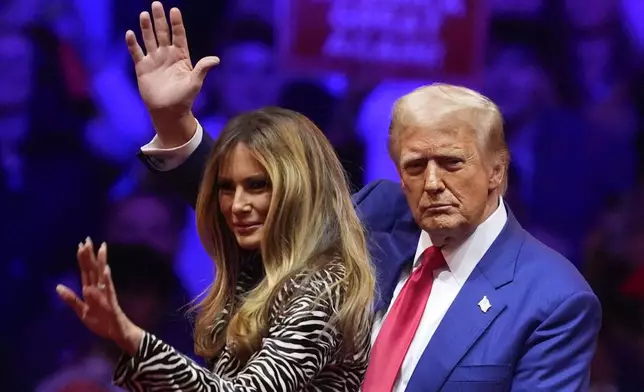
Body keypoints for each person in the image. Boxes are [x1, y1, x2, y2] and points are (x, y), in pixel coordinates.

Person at [125, 2, 603, 390]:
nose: (432, 182)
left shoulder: (553, 298)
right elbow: (262, 201)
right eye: (415, 166)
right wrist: (175, 122)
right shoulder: (378, 216)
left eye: (452, 163)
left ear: (497, 169)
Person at [56, 5, 375, 391]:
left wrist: (130, 338)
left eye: (257, 186)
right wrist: (170, 117)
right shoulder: (261, 265)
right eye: (227, 188)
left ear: (297, 190)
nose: (236, 205)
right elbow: (198, 176)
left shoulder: (322, 285)